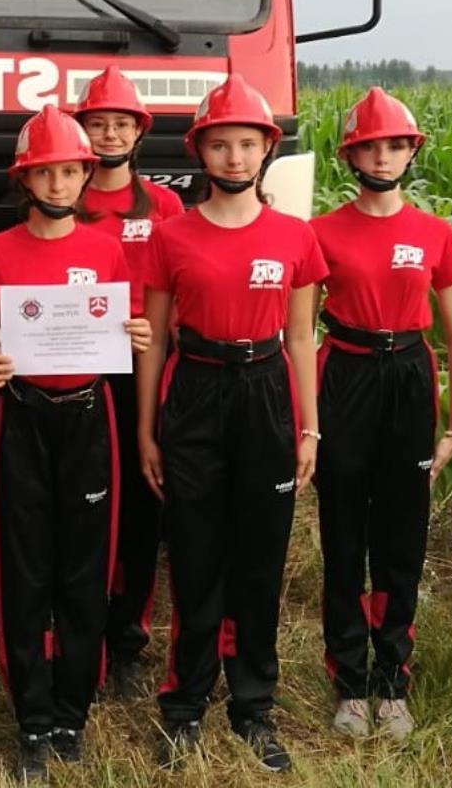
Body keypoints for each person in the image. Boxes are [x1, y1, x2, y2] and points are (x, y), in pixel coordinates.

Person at [134, 75, 326, 774]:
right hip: (195, 389)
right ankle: (184, 705)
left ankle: (253, 706)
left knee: (259, 558)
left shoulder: (295, 237)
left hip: (266, 392)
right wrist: (147, 429)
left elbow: (301, 337)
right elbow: (154, 338)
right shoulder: (171, 236)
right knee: (194, 555)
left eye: (247, 143)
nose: (235, 157)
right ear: (200, 151)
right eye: (221, 144)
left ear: (267, 148)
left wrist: (308, 428)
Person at [0, 105, 150, 782]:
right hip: (22, 417)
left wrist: (135, 334)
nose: (58, 184)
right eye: (44, 173)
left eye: (70, 172)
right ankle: (32, 716)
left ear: (85, 175)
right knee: (23, 569)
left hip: (88, 418)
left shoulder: (105, 248)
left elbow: (122, 322)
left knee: (83, 567)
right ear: (24, 179)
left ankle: (72, 710)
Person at [310, 88, 452, 739]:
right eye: (371, 146)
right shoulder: (321, 232)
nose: (383, 156)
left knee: (402, 537)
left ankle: (393, 680)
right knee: (344, 532)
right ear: (351, 155)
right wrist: (307, 422)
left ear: (412, 152)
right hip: (343, 373)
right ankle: (350, 681)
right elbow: (295, 331)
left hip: (409, 377)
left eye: (396, 145)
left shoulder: (434, 233)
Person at [72, 67, 182, 699]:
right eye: (98, 123)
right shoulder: (60, 196)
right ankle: (78, 630)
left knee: (142, 505)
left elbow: (179, 290)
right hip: (77, 370)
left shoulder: (164, 207)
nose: (109, 134)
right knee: (83, 506)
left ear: (139, 133)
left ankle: (128, 640)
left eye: (121, 124)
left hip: (142, 368)